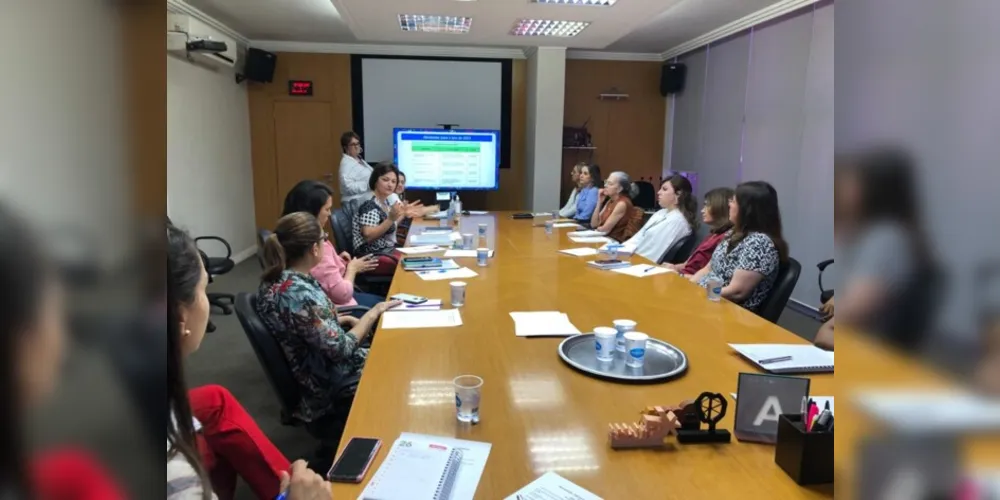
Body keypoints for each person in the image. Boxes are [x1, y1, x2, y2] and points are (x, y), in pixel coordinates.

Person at [168, 222, 332, 500]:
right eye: (204, 288)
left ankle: (280, 484)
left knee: (215, 400)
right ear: (181, 318)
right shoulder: (174, 475)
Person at [256, 212, 399, 424]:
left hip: (314, 367)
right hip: (328, 384)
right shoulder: (299, 294)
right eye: (323, 238)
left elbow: (304, 325)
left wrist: (345, 320)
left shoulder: (279, 279)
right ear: (315, 249)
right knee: (402, 358)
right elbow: (340, 350)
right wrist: (373, 313)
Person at [827, 148, 932, 350]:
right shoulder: (860, 231)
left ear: (875, 190)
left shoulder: (887, 238)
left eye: (851, 184)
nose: (841, 190)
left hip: (858, 348)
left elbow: (851, 312)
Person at [689, 181, 788, 312]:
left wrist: (701, 294)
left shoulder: (759, 244)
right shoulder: (733, 233)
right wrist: (690, 287)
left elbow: (736, 292)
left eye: (734, 201)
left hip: (727, 312)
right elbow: (708, 269)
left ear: (748, 210)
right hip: (709, 301)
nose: (729, 204)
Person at [281, 180, 382, 308]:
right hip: (340, 308)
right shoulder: (312, 245)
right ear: (311, 212)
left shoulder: (290, 234)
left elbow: (320, 273)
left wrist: (337, 260)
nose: (329, 213)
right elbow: (342, 294)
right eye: (327, 209)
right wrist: (352, 268)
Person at [622, 174, 696, 262]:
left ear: (678, 194)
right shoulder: (661, 212)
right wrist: (619, 250)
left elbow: (654, 254)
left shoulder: (677, 221)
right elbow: (637, 238)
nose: (658, 192)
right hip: (632, 257)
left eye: (664, 189)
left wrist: (627, 260)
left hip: (642, 264)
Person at [664, 187, 735, 275]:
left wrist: (678, 274)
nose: (702, 211)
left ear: (719, 208)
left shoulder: (725, 238)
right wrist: (673, 267)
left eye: (706, 205)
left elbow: (706, 275)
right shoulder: (713, 235)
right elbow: (688, 264)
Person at [352, 163, 405, 257]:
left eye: (393, 182)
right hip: (370, 255)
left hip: (384, 251)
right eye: (385, 180)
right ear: (375, 180)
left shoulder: (385, 201)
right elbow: (368, 236)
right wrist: (390, 219)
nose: (390, 185)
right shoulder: (369, 202)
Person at [338, 131, 400, 207]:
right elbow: (347, 187)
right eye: (353, 144)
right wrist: (370, 184)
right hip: (355, 201)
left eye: (357, 143)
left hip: (368, 196)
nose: (357, 146)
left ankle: (403, 214)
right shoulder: (346, 163)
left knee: (391, 196)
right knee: (391, 197)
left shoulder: (359, 159)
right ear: (345, 147)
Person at [591, 171, 639, 242]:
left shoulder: (622, 203)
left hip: (615, 242)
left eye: (610, 184)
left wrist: (597, 229)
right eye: (606, 182)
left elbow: (605, 230)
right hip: (603, 238)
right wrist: (599, 202)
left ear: (619, 189)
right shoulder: (610, 201)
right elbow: (593, 224)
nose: (605, 185)